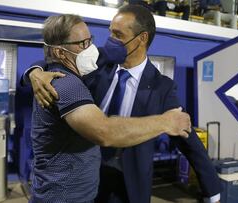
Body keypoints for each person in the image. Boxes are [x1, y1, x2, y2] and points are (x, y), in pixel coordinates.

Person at [22, 5, 222, 203]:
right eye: (110, 32)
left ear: (142, 38)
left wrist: (212, 192)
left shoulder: (163, 87)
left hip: (129, 184)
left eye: (118, 35)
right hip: (88, 176)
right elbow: (55, 56)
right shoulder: (97, 64)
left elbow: (185, 135)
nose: (111, 41)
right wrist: (34, 72)